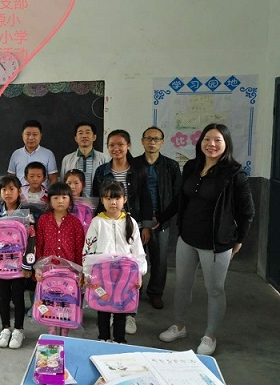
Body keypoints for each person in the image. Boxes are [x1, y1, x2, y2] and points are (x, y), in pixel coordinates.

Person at [156, 124, 254, 356]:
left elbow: (247, 210)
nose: (211, 144)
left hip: (217, 243)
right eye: (207, 139)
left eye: (218, 140)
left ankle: (210, 335)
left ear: (226, 144)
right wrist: (160, 218)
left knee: (215, 289)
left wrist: (239, 239)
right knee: (182, 285)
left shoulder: (234, 173)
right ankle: (179, 325)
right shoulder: (192, 166)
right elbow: (179, 199)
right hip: (188, 238)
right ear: (200, 142)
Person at [92, 129, 153, 335]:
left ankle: (129, 314)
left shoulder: (138, 169)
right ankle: (110, 309)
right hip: (107, 223)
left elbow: (145, 197)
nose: (116, 148)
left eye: (120, 144)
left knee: (129, 273)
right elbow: (96, 198)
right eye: (111, 145)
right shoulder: (102, 171)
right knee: (108, 275)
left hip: (130, 224)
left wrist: (145, 225)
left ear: (128, 146)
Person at [83, 180, 147, 343]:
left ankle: (119, 340)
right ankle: (103, 337)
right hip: (101, 274)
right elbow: (88, 249)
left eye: (117, 198)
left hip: (125, 275)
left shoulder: (130, 222)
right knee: (102, 306)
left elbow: (138, 251)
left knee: (121, 306)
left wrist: (139, 273)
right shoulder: (97, 222)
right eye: (108, 198)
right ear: (102, 200)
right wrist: (87, 273)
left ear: (124, 199)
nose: (113, 202)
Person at [0, 175, 36, 349]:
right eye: (4, 189)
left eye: (12, 189)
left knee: (18, 297)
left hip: (19, 266)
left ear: (19, 191)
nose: (8, 193)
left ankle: (19, 329)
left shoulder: (26, 214)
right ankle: (5, 328)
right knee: (2, 297)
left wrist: (28, 265)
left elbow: (32, 240)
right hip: (0, 265)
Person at [134, 127, 182, 309]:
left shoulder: (171, 166)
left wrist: (161, 217)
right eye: (148, 138)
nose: (152, 142)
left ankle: (155, 293)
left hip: (161, 219)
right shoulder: (134, 164)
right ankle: (134, 291)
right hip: (137, 219)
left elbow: (177, 195)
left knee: (159, 259)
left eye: (156, 139)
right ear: (142, 141)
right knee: (135, 258)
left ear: (162, 142)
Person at [35, 182, 85, 336]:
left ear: (70, 199)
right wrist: (38, 268)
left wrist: (80, 272)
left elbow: (79, 249)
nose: (60, 201)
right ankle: (51, 333)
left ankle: (64, 335)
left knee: (66, 303)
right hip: (48, 272)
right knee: (50, 301)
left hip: (69, 273)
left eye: (64, 197)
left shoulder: (75, 223)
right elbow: (39, 246)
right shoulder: (43, 220)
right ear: (49, 200)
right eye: (56, 198)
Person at [61, 122, 108, 197]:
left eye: (87, 132)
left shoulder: (104, 158)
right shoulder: (67, 159)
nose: (84, 136)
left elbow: (107, 183)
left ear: (94, 137)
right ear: (76, 138)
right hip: (74, 202)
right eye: (80, 133)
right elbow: (63, 184)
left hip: (97, 200)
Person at [8, 120, 58, 186]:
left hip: (42, 192)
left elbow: (53, 178)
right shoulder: (16, 154)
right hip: (20, 192)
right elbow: (11, 177)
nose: (31, 138)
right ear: (22, 135)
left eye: (35, 134)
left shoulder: (48, 154)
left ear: (40, 135)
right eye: (28, 134)